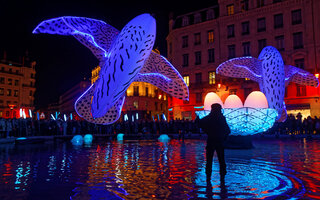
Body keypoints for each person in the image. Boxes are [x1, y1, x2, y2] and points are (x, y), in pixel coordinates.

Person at [198, 103, 230, 182]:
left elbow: (199, 123)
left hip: (211, 141)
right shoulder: (221, 118)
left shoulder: (208, 118)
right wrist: (224, 138)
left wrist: (207, 131)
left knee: (209, 161)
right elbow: (228, 130)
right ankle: (222, 178)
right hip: (220, 141)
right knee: (221, 160)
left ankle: (208, 178)